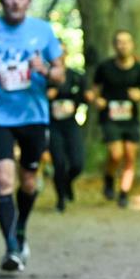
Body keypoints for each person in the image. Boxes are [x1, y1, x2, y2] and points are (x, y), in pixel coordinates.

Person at [0, 0, 64, 272]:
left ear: (29, 1)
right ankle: (11, 248)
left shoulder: (43, 31)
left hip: (34, 116)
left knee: (29, 181)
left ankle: (20, 228)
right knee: (4, 179)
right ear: (1, 0)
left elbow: (61, 73)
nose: (15, 2)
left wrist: (46, 70)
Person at [90, 30, 140, 208]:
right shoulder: (105, 67)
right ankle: (109, 178)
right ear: (114, 45)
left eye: (126, 42)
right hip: (110, 118)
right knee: (116, 154)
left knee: (130, 156)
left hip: (131, 119)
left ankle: (124, 193)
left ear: (132, 44)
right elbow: (95, 89)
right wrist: (97, 100)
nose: (123, 45)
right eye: (119, 42)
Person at [47, 44, 87, 212]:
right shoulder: (43, 77)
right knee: (59, 163)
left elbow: (85, 97)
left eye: (62, 52)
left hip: (71, 123)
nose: (59, 55)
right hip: (52, 124)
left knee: (77, 163)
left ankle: (68, 182)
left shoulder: (76, 77)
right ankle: (60, 198)